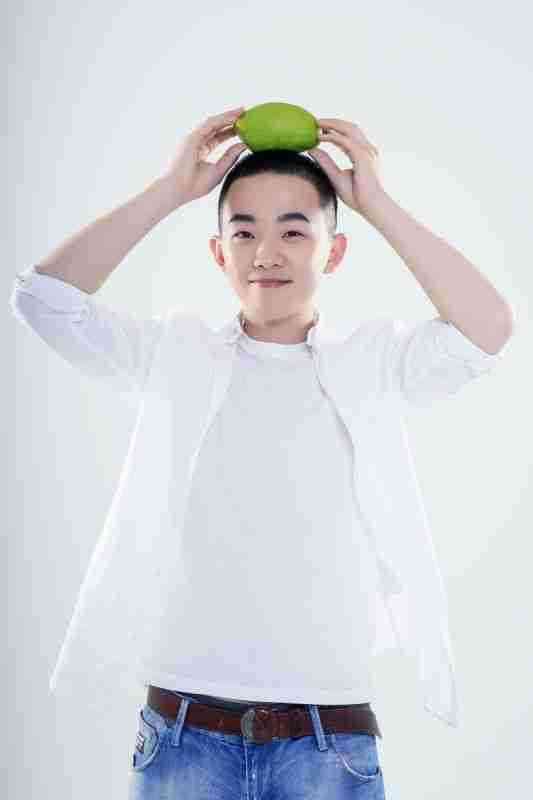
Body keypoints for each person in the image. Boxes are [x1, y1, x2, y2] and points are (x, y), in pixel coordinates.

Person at [10, 106, 514, 799]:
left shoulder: (373, 362)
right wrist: (171, 190)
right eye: (243, 232)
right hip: (183, 734)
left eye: (293, 231)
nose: (265, 253)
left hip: (328, 741)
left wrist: (377, 203)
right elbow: (43, 301)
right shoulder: (173, 354)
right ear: (219, 253)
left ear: (333, 252)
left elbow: (487, 328)